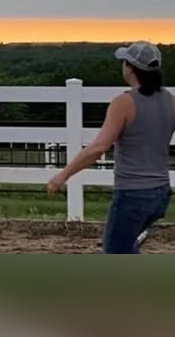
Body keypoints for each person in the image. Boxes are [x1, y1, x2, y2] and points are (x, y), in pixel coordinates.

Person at [47, 41, 174, 253]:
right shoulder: (169, 100)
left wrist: (62, 175)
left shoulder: (123, 103)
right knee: (125, 247)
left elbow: (99, 147)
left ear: (130, 68)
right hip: (160, 194)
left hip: (132, 195)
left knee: (114, 251)